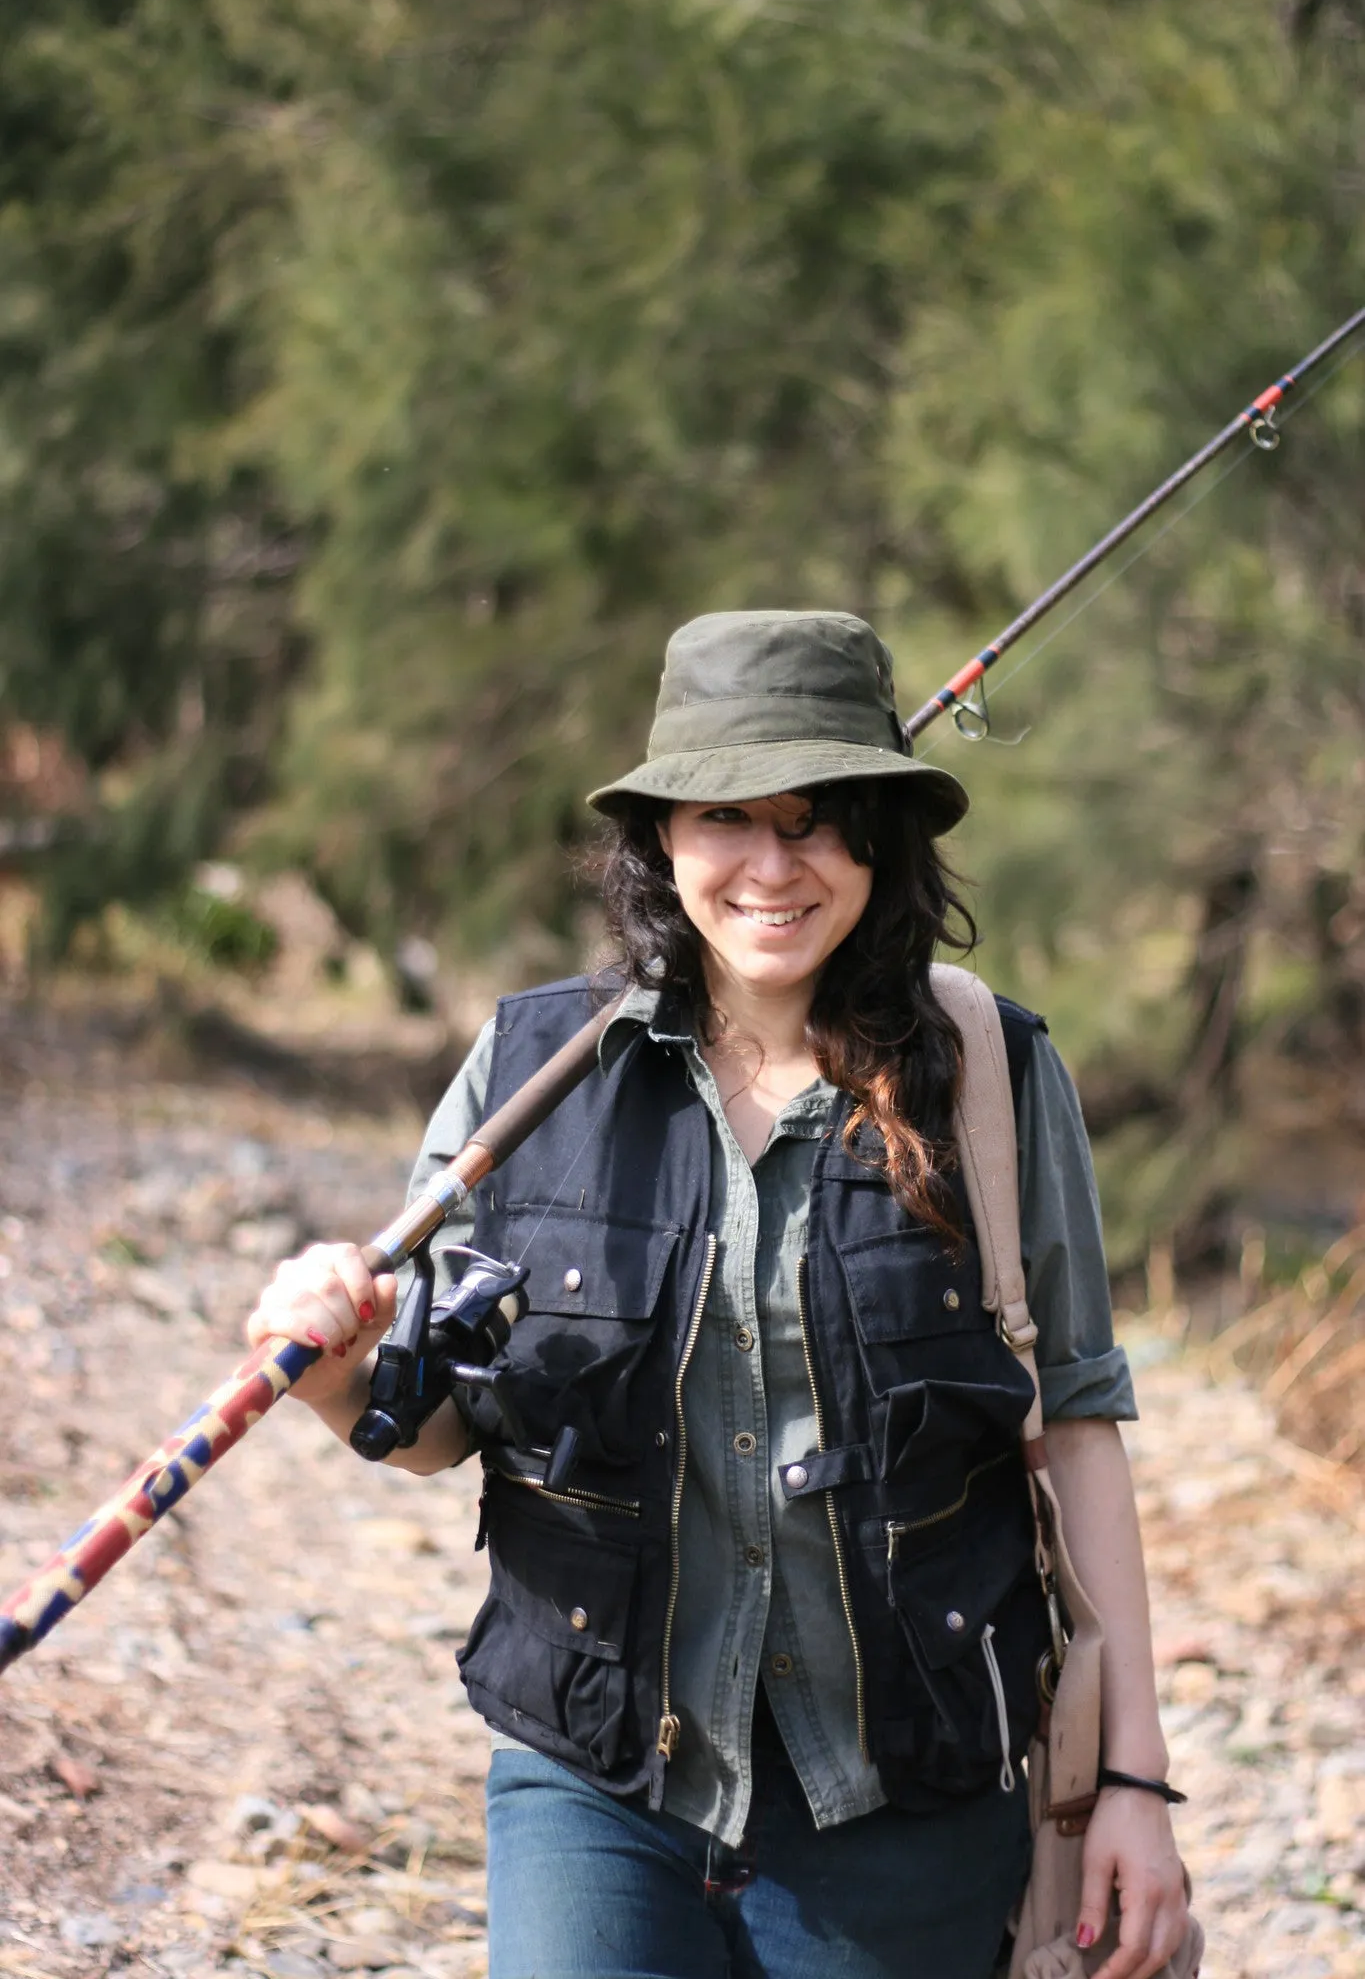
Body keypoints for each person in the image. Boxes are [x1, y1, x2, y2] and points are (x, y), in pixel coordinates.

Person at [248, 611, 1190, 1979]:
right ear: (662, 841)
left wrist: (1132, 1788)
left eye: (813, 820)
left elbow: (1081, 1428)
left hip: (909, 1810)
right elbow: (442, 1421)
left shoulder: (990, 1077)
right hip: (599, 1788)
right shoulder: (527, 1081)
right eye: (725, 818)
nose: (769, 865)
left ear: (878, 837)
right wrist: (328, 1363)